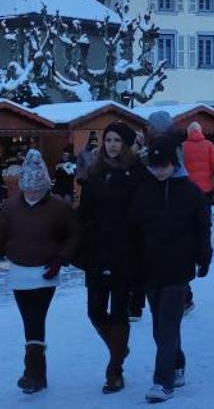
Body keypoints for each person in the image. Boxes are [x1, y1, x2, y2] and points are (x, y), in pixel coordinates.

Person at [0, 150, 80, 394]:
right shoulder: (12, 208)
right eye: (28, 189)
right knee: (29, 320)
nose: (32, 193)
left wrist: (60, 259)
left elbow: (75, 233)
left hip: (45, 272)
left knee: (35, 318)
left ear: (45, 186)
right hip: (19, 272)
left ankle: (30, 373)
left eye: (37, 189)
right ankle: (37, 375)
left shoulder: (59, 207)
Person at [131, 137, 211, 404]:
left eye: (163, 165)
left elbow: (202, 227)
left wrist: (204, 257)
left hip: (179, 267)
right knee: (159, 325)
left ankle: (162, 382)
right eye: (153, 166)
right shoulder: (143, 191)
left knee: (167, 324)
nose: (158, 170)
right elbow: (134, 229)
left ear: (173, 164)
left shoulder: (190, 192)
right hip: (150, 267)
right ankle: (177, 362)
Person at [77, 124, 147, 394]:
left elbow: (141, 214)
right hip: (97, 250)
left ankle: (115, 370)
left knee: (119, 311)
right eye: (108, 139)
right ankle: (119, 349)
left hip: (125, 251)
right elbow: (85, 212)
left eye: (118, 140)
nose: (112, 144)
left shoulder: (137, 174)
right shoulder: (95, 172)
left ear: (126, 144)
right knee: (94, 310)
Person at [181, 122, 214, 198]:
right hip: (206, 187)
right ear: (200, 131)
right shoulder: (209, 145)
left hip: (188, 187)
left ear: (188, 132)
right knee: (205, 208)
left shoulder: (183, 146)